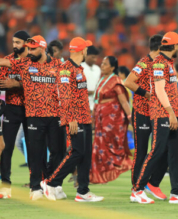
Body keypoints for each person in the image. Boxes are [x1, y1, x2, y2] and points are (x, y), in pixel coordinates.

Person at [133, 31, 178, 204]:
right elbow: (160, 90)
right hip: (162, 114)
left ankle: (176, 193)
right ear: (175, 46)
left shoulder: (168, 63)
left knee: (175, 153)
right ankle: (137, 190)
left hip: (170, 114)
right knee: (156, 151)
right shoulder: (160, 64)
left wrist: (177, 113)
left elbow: (168, 90)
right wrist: (170, 112)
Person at [0, 35, 65, 201]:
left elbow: (67, 87)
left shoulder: (58, 64)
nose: (29, 51)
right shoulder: (24, 62)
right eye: (28, 48)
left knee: (58, 151)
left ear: (42, 48)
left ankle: (51, 184)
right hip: (34, 115)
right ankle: (35, 187)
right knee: (35, 153)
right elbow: (4, 62)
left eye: (33, 48)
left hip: (55, 114)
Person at [41, 37, 104, 202]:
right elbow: (65, 96)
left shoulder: (78, 69)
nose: (87, 51)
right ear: (82, 50)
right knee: (77, 152)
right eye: (86, 49)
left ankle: (83, 191)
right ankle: (51, 182)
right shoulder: (66, 69)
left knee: (85, 154)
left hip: (84, 117)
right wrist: (71, 118)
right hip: (75, 117)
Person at [125, 34, 168, 201]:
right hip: (142, 112)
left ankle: (151, 183)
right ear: (159, 49)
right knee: (141, 151)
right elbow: (128, 82)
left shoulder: (161, 64)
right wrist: (147, 95)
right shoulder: (144, 63)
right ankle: (137, 187)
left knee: (160, 149)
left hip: (156, 113)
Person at [90, 56, 133, 184]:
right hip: (100, 117)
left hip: (112, 119)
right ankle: (98, 175)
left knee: (111, 146)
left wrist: (130, 116)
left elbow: (124, 101)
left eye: (105, 64)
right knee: (98, 146)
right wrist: (93, 114)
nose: (102, 65)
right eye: (102, 63)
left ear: (113, 67)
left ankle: (123, 165)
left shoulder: (116, 81)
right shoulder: (102, 79)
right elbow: (97, 99)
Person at [0, 31, 31, 199]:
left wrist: (17, 83)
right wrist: (5, 86)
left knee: (34, 148)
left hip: (31, 109)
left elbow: (38, 85)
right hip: (11, 108)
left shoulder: (33, 61)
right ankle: (5, 187)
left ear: (27, 43)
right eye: (13, 42)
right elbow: (1, 82)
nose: (15, 45)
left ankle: (37, 185)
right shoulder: (7, 60)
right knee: (7, 148)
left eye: (18, 42)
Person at [81, 46, 101, 111]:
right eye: (92, 57)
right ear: (86, 55)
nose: (95, 59)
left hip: (95, 103)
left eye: (96, 57)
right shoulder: (80, 68)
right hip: (82, 103)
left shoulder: (98, 69)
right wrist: (91, 92)